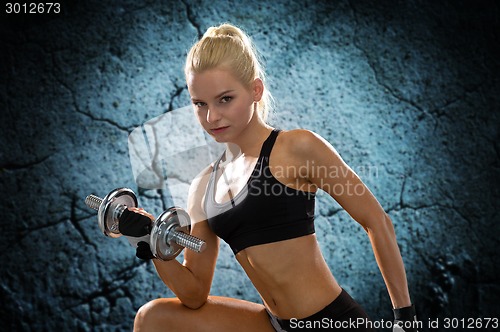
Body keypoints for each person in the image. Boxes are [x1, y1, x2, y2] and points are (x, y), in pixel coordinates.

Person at [120, 23, 419, 331]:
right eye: (200, 104)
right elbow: (194, 294)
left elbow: (377, 221)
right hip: (274, 325)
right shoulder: (203, 187)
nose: (212, 117)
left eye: (225, 99)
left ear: (255, 90)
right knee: (152, 318)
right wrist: (150, 242)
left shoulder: (297, 147)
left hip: (332, 322)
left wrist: (405, 320)